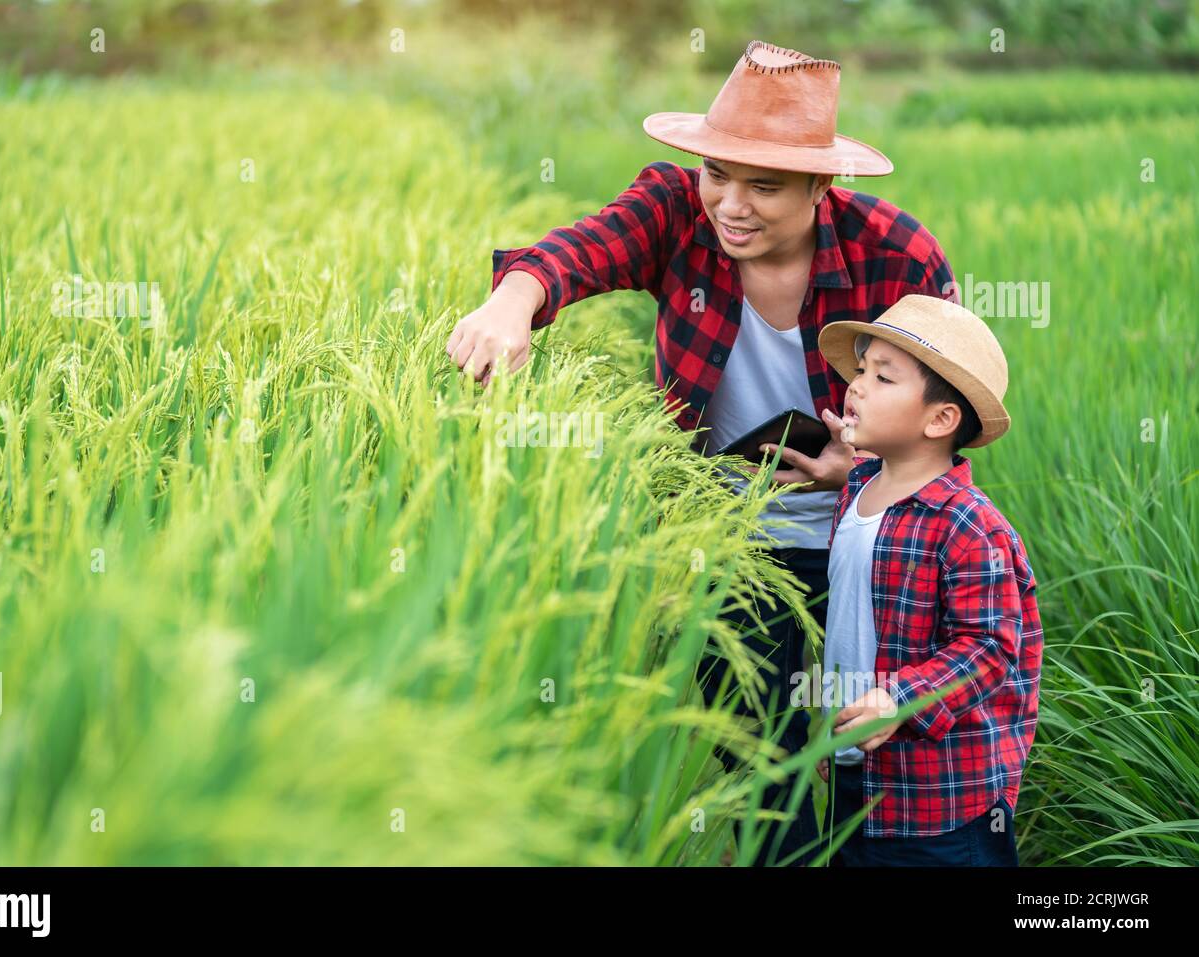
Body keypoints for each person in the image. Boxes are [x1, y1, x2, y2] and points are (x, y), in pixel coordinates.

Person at [447, 39, 958, 866]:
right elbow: (583, 248)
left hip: (868, 537)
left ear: (823, 187)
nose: (732, 204)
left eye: (765, 185)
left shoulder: (897, 256)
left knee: (877, 757)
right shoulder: (675, 208)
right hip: (726, 542)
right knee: (765, 770)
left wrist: (858, 466)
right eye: (718, 173)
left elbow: (950, 414)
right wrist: (514, 301)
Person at [812, 294, 1044, 866]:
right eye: (860, 370)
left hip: (939, 804)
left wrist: (898, 701)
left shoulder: (968, 525)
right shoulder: (858, 489)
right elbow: (851, 627)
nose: (857, 386)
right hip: (855, 775)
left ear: (940, 420)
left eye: (883, 377)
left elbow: (988, 648)